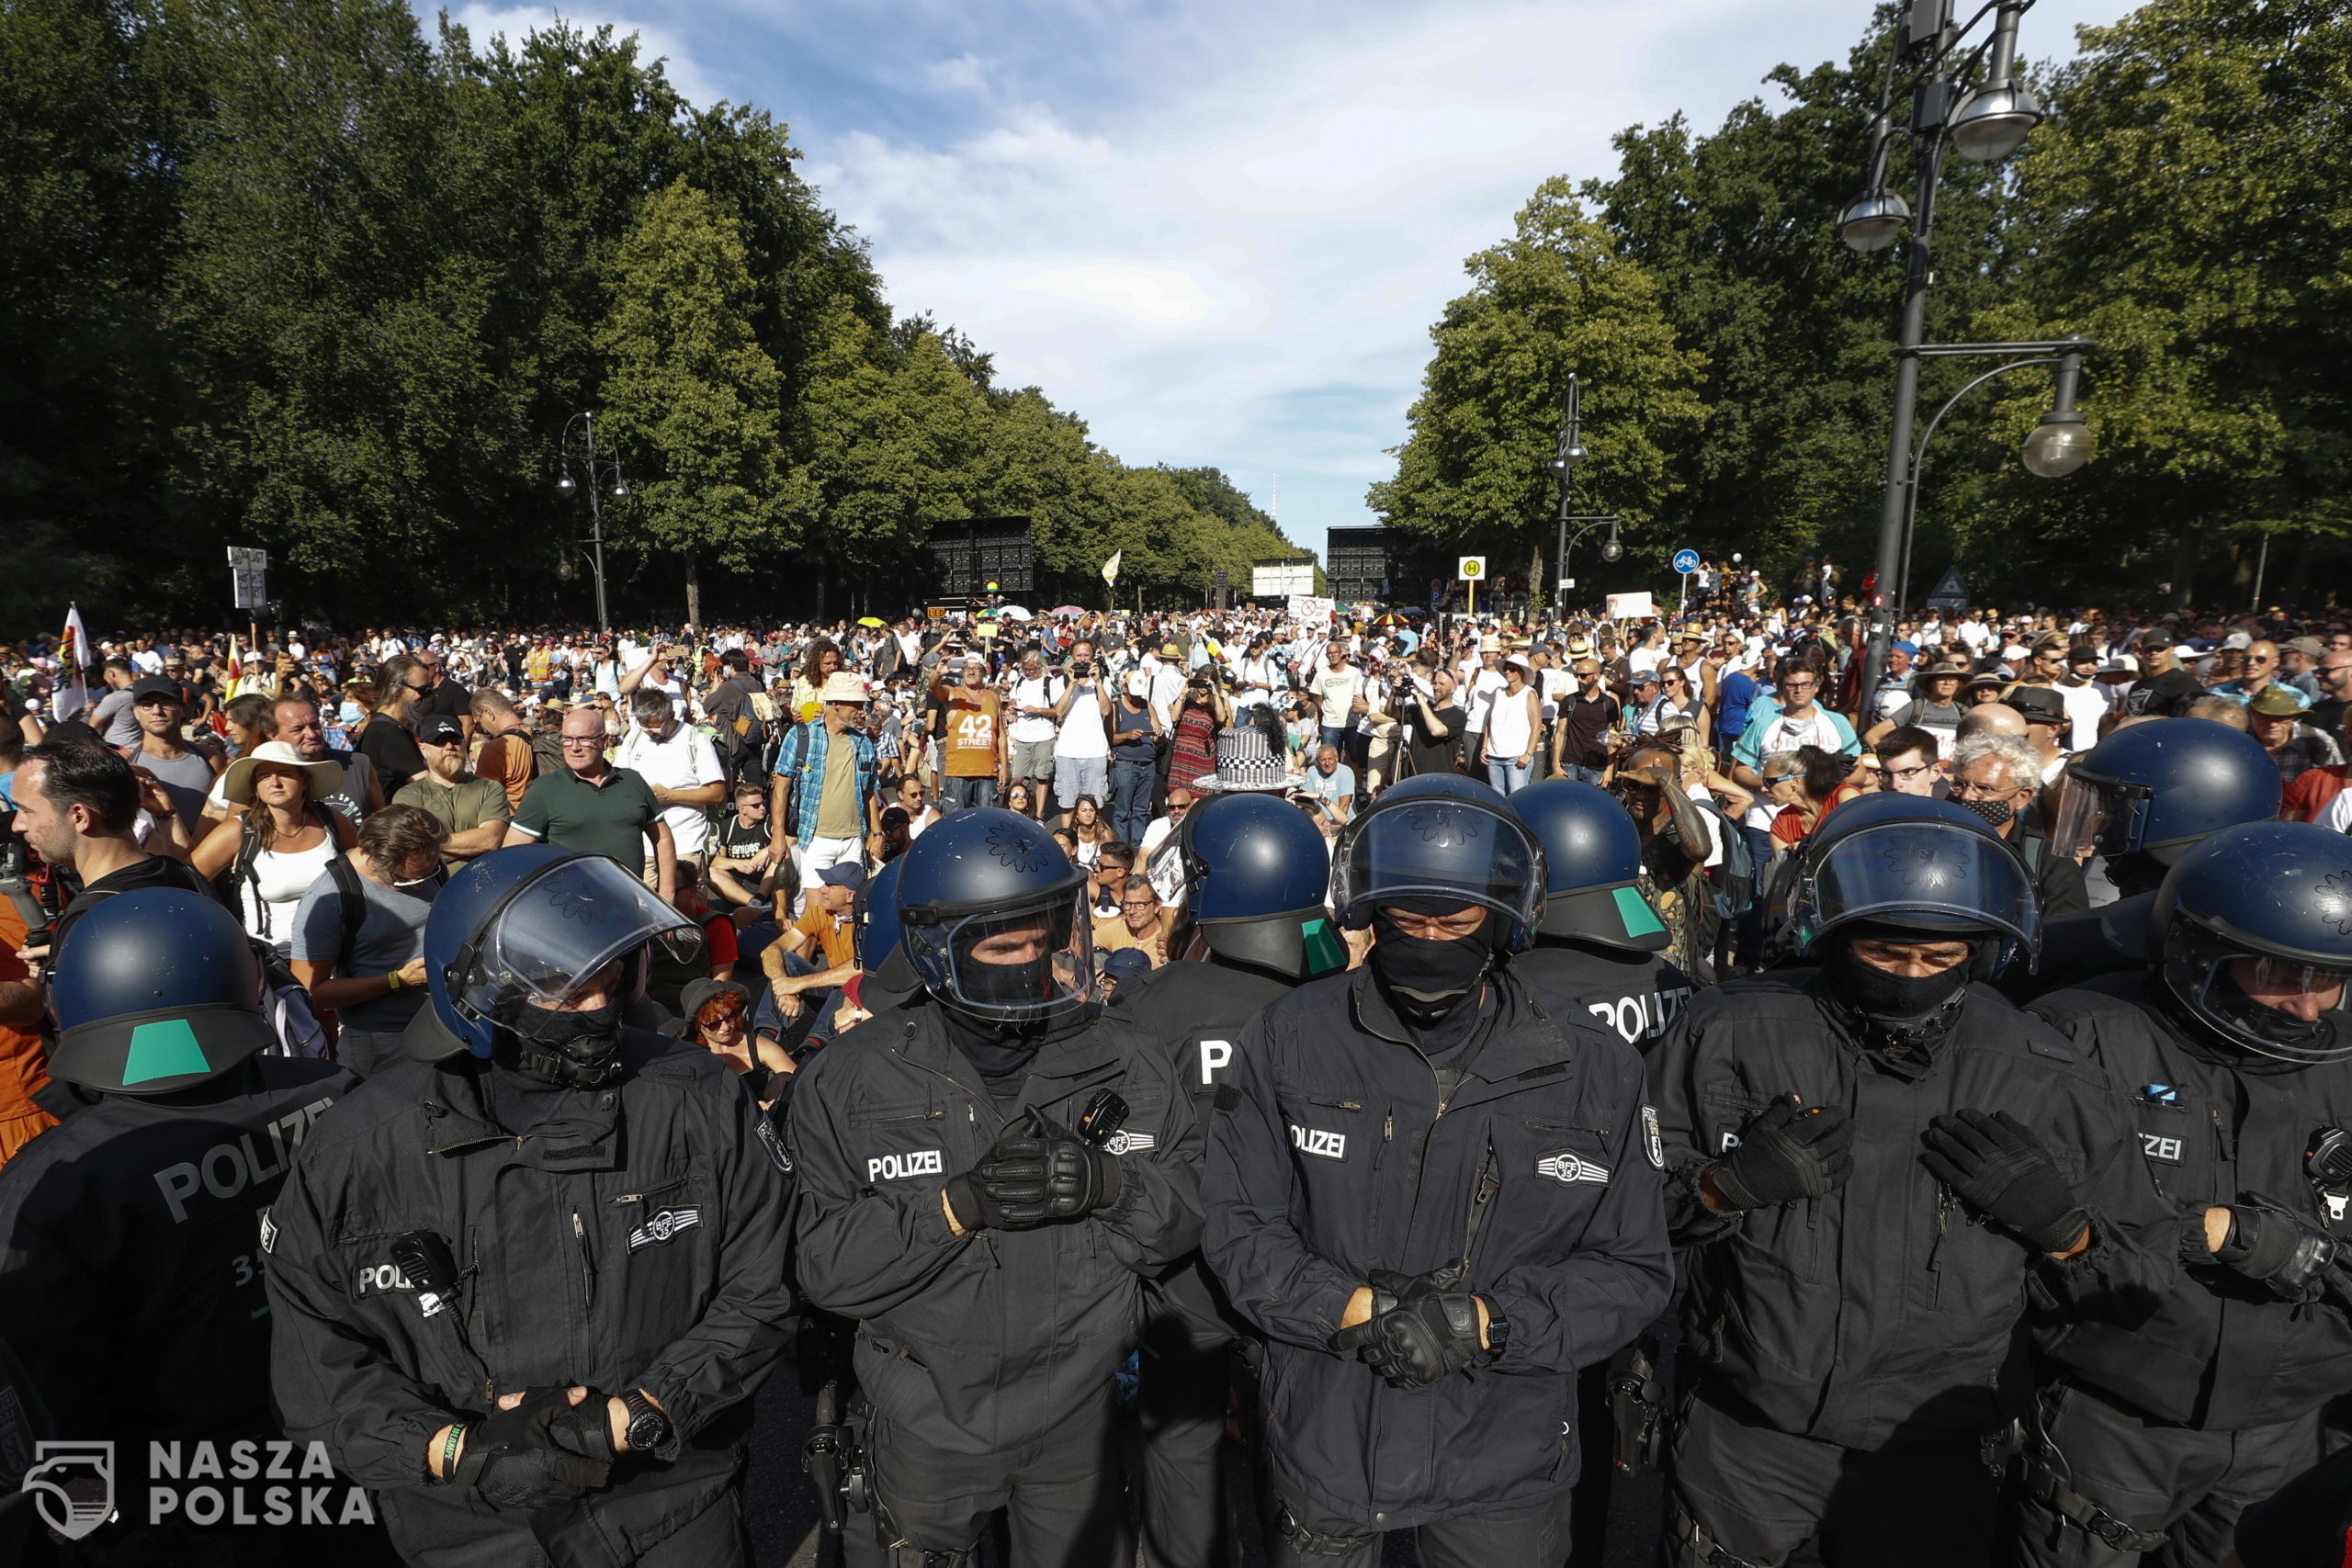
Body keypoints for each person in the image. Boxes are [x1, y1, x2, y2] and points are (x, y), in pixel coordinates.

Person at [1650, 795, 2159, 1568]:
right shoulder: (1728, 1030)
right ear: (1834, 935)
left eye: (1939, 957)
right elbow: (1617, 1212)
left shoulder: (2043, 1071)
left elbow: (2142, 1271)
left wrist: (2066, 1232)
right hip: (1749, 1427)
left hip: (1935, 1445)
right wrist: (1720, 1189)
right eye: (1887, 954)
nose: (1911, 977)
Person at [266, 844, 794, 1565]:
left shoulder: (695, 1094)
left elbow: (765, 1280)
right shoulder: (359, 1147)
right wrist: (457, 1449)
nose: (600, 1009)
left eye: (610, 980)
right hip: (470, 1523)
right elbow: (318, 1357)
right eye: (567, 992)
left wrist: (643, 1412)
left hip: (670, 1497)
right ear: (482, 994)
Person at [1204, 784, 1672, 1566]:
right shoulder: (1290, 1035)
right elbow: (1240, 1225)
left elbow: (1631, 1267)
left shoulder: (1593, 1065)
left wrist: (1485, 1323)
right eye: (1405, 920)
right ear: (1368, 913)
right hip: (1330, 1434)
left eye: (1454, 922)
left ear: (1503, 916)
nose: (1428, 940)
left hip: (1505, 1453)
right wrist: (1355, 1309)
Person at [786, 807, 1199, 1566]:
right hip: (929, 1423)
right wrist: (952, 1208)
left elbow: (1184, 1222)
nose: (1034, 960)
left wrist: (1111, 1184)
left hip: (1081, 1418)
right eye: (1007, 945)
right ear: (939, 951)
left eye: (1047, 937)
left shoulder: (1127, 1060)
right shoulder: (855, 1078)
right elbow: (824, 1270)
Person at [2008, 820, 2352, 1568]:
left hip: (2292, 1423)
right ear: (2202, 954)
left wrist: (2299, 1248)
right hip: (2116, 1414)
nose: (2307, 1007)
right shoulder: (2083, 1034)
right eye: (2279, 973)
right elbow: (2044, 1219)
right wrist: (2208, 1232)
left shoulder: (2342, 1057)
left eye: (2327, 978)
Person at [0, 888, 360, 1562]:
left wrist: (88, 1535)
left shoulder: (59, 1183)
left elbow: (49, 1406)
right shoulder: (334, 1090)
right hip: (361, 1456)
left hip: (183, 1506)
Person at [1109, 791, 1350, 1568]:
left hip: (1185, 1274)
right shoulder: (1338, 1002)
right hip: (1309, 1267)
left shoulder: (1159, 1001)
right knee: (1305, 1467)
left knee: (1182, 1454)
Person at [11, 741, 212, 963]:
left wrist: (61, 976)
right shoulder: (182, 874)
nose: (17, 825)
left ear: (79, 816)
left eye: (26, 810)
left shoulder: (93, 918)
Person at [287, 804, 447, 1076]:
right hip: (384, 1041)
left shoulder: (425, 862)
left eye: (427, 875)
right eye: (406, 880)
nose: (421, 886)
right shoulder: (331, 898)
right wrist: (397, 980)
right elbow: (310, 993)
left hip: (441, 1023)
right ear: (374, 857)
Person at [505, 703, 677, 907]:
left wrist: (666, 896)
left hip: (629, 909)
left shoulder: (632, 781)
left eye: (584, 739)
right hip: (569, 913)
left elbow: (663, 838)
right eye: (567, 739)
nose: (574, 747)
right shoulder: (545, 789)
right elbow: (511, 856)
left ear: (605, 741)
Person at [195, 739, 357, 953]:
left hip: (337, 956)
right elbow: (187, 882)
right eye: (264, 776)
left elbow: (365, 868)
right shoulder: (237, 831)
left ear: (305, 781)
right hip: (273, 964)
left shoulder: (331, 820)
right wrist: (226, 931)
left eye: (285, 773)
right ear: (255, 787)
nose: (275, 782)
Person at [1949, 730, 2089, 917]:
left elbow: (2063, 933)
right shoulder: (1924, 842)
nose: (1967, 796)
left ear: (2022, 797)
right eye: (1959, 784)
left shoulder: (2050, 864)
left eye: (1984, 788)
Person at [770, 671, 879, 905]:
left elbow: (870, 790)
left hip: (853, 839)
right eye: (856, 704)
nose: (861, 710)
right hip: (816, 838)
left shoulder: (862, 743)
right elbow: (781, 790)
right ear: (836, 704)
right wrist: (777, 836)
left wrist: (876, 833)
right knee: (816, 912)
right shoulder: (801, 736)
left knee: (848, 910)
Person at [618, 686, 726, 882]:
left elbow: (717, 794)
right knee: (645, 907)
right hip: (644, 845)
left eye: (655, 727)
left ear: (671, 715)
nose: (650, 733)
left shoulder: (695, 740)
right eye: (644, 726)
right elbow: (620, 779)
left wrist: (671, 795)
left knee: (685, 906)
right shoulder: (634, 738)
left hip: (685, 843)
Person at [392, 714, 510, 866]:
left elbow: (490, 840)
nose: (449, 747)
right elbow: (413, 854)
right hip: (435, 887)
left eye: (455, 740)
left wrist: (429, 844)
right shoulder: (408, 795)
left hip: (487, 882)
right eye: (439, 741)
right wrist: (473, 845)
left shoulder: (490, 788)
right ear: (423, 749)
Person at [1732, 659, 1860, 794]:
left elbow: (1859, 772)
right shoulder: (1762, 724)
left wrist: (1822, 782)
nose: (1799, 690)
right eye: (1791, 685)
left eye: (1805, 684)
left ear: (1816, 686)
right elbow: (1740, 772)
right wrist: (1769, 783)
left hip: (1822, 807)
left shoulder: (1838, 722)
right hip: (1771, 808)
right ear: (1781, 687)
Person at [126, 672, 222, 836]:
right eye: (147, 705)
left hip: (203, 855)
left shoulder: (210, 758)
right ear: (136, 712)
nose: (157, 711)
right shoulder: (125, 761)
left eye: (166, 703)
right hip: (151, 857)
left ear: (182, 710)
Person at [933, 653, 1009, 814]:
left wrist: (1003, 767)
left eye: (976, 669)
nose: (971, 672)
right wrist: (938, 674)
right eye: (967, 668)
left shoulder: (994, 697)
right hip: (958, 770)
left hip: (987, 770)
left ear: (984, 672)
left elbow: (1001, 734)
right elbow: (934, 688)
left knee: (987, 821)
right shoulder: (953, 693)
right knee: (956, 822)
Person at [2246, 682, 2344, 784]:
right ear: (2251, 717)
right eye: (2265, 718)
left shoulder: (2316, 740)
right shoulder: (2241, 741)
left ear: (2293, 718)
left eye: (2281, 718)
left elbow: (2337, 781)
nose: (2273, 724)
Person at [1107, 671, 1160, 846]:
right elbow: (1110, 738)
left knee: (1141, 810)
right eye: (1133, 694)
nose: (1136, 698)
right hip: (1126, 764)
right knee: (1122, 811)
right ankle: (1121, 848)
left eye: (1139, 694)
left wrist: (1159, 734)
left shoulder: (1148, 706)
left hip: (1147, 765)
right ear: (1125, 689)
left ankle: (1138, 847)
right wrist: (1127, 735)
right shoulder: (1116, 707)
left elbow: (1158, 731)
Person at [707, 777, 778, 908]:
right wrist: (737, 863)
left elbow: (788, 841)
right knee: (711, 872)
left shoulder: (769, 823)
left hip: (763, 884)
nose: (762, 808)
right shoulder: (727, 826)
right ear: (742, 809)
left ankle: (760, 899)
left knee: (779, 859)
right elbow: (714, 861)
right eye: (756, 805)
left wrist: (765, 852)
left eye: (762, 803)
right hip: (737, 887)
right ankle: (753, 903)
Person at [469, 686, 540, 811]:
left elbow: (482, 796)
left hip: (514, 819)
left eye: (479, 721)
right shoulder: (537, 733)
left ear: (489, 713)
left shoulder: (496, 748)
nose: (483, 729)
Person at [1094, 876, 1174, 967]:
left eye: (1140, 904)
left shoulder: (1166, 937)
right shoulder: (1120, 927)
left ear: (1157, 906)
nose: (1132, 911)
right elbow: (1083, 942)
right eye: (1127, 904)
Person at [1874, 724, 1948, 797]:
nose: (1894, 785)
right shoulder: (1867, 807)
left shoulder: (1953, 808)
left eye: (1907, 772)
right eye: (1886, 773)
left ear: (1935, 772)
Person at [1303, 743, 1356, 819]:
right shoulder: (1312, 771)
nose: (1327, 763)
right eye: (1323, 760)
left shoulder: (1346, 772)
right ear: (1317, 761)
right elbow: (1307, 801)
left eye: (1330, 759)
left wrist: (1332, 826)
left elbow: (1344, 806)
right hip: (1321, 821)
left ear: (1337, 758)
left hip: (1342, 820)